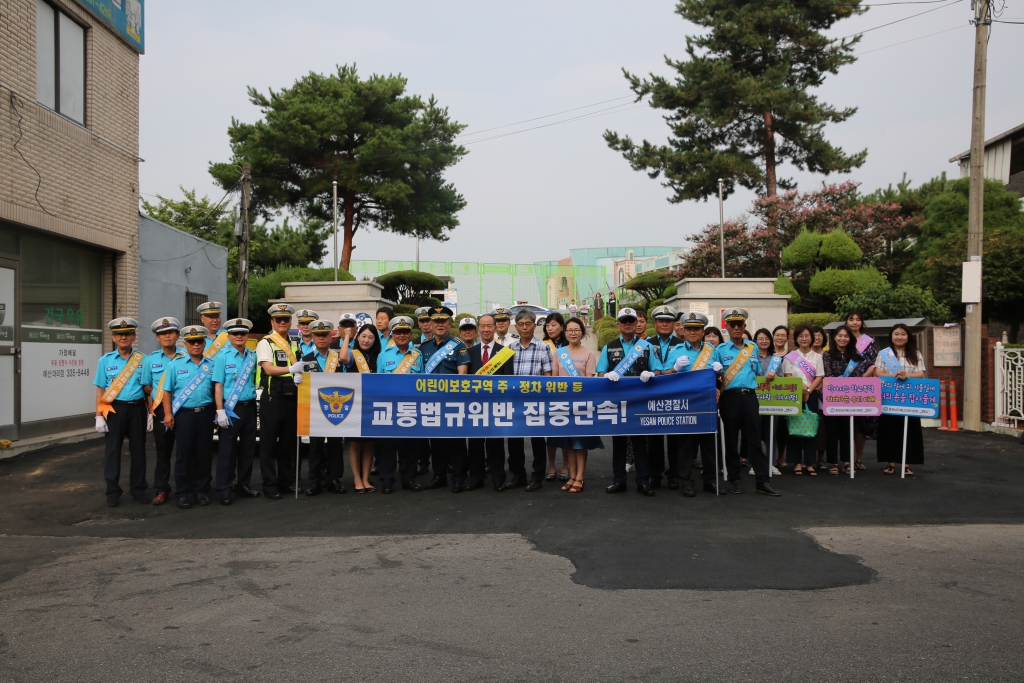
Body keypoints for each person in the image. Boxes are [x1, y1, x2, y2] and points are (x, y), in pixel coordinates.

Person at [716, 308, 781, 496]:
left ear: (744, 326)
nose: (736, 327)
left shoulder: (752, 347)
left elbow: (760, 372)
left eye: (739, 324)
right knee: (730, 441)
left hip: (751, 397)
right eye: (732, 324)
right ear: (726, 327)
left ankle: (762, 481)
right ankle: (735, 479)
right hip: (730, 398)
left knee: (755, 439)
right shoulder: (720, 351)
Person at [597, 307, 657, 496]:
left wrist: (651, 373)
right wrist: (607, 375)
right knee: (619, 443)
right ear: (618, 325)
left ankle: (643, 481)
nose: (629, 324)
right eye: (624, 321)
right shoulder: (609, 347)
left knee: (640, 443)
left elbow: (659, 371)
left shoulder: (647, 347)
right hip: (618, 402)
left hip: (640, 401)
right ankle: (619, 480)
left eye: (632, 320)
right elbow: (599, 374)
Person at [659, 311, 718, 497]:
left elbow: (719, 378)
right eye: (689, 329)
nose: (692, 332)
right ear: (683, 330)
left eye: (697, 329)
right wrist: (675, 368)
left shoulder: (711, 350)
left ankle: (710, 480)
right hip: (685, 403)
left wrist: (719, 371)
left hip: (707, 403)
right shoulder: (676, 351)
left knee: (709, 445)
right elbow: (664, 375)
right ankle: (685, 481)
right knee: (686, 445)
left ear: (703, 331)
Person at [94, 317, 149, 507]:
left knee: (138, 451)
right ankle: (112, 491)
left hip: (137, 409)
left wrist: (150, 412)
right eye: (119, 335)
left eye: (127, 334)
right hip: (114, 409)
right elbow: (100, 390)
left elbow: (149, 388)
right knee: (112, 451)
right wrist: (98, 416)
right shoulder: (105, 361)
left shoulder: (143, 359)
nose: (123, 337)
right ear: (114, 338)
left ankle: (138, 489)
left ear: (133, 336)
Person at [161, 325, 216, 509]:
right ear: (185, 344)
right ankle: (183, 492)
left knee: (203, 454)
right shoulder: (175, 365)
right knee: (184, 455)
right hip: (184, 415)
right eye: (191, 341)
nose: (196, 344)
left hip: (206, 413)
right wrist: (168, 414)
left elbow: (217, 390)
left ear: (204, 343)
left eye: (199, 341)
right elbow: (167, 392)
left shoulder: (211, 365)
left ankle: (199, 489)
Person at [419, 307, 471, 491]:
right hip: (431, 403)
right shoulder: (424, 348)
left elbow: (463, 376)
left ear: (449, 324)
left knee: (456, 442)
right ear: (431, 324)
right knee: (437, 442)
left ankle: (458, 478)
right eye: (436, 321)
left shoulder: (459, 346)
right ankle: (439, 476)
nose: (440, 325)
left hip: (452, 402)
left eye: (444, 321)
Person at [256, 304, 305, 499]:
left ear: (291, 322)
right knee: (268, 446)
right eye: (279, 320)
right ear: (272, 322)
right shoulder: (266, 343)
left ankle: (286, 482)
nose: (283, 322)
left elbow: (300, 366)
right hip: (273, 400)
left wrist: (299, 375)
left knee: (288, 444)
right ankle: (269, 485)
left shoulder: (295, 342)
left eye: (286, 319)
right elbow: (268, 369)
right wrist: (290, 371)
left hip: (291, 400)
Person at [547, 317, 601, 493]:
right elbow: (554, 380)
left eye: (576, 330)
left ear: (582, 332)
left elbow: (590, 381)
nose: (573, 333)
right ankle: (571, 475)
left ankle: (580, 477)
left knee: (580, 442)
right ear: (565, 332)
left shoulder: (589, 354)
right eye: (569, 330)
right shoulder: (559, 353)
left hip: (582, 403)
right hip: (563, 404)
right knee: (568, 442)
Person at [212, 318, 260, 505]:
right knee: (227, 450)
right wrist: (220, 410)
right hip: (231, 408)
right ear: (229, 336)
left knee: (248, 449)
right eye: (235, 333)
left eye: (242, 333)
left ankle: (243, 484)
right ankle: (224, 487)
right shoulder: (222, 357)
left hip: (249, 406)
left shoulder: (252, 356)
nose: (239, 336)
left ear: (247, 336)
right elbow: (218, 386)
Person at [375, 316, 426, 493]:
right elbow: (378, 383)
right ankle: (387, 480)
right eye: (398, 332)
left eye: (405, 332)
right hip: (389, 407)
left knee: (410, 446)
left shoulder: (418, 356)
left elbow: (423, 382)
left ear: (411, 334)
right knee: (388, 447)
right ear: (393, 335)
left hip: (411, 407)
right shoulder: (383, 356)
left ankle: (409, 479)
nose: (402, 335)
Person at [466, 313, 515, 491]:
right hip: (475, 407)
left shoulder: (505, 353)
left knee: (496, 445)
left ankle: (498, 478)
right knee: (475, 445)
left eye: (489, 326)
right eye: (482, 326)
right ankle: (476, 478)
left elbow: (508, 380)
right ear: (478, 329)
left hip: (496, 406)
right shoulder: (469, 352)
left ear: (495, 328)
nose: (486, 329)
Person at [506, 310, 553, 491]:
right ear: (516, 327)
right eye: (521, 324)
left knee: (537, 441)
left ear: (534, 325)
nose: (524, 327)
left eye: (528, 323)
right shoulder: (510, 349)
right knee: (514, 441)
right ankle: (519, 475)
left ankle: (537, 477)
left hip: (535, 402)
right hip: (515, 403)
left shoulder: (544, 348)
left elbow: (548, 377)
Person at [300, 320, 349, 495]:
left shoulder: (338, 358)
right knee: (315, 446)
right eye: (318, 335)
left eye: (325, 335)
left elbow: (346, 381)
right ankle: (315, 480)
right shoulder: (305, 359)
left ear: (330, 337)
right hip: (314, 409)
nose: (321, 338)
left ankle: (335, 478)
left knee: (336, 445)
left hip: (336, 408)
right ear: (312, 337)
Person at [141, 317, 183, 506]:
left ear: (177, 335)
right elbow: (147, 386)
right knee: (163, 452)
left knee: (186, 452)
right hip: (160, 412)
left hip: (184, 410)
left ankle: (187, 487)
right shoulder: (151, 360)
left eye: (171, 333)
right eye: (163, 334)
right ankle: (161, 489)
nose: (167, 336)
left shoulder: (186, 356)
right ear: (158, 338)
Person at [875, 323, 926, 475]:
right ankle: (890, 462)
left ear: (908, 336)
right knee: (889, 429)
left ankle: (907, 463)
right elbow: (878, 372)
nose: (899, 337)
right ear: (891, 336)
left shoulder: (915, 353)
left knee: (910, 430)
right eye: (896, 334)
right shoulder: (884, 353)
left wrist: (906, 376)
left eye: (903, 334)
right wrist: (896, 376)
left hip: (909, 399)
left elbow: (920, 373)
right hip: (889, 397)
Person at [338, 322, 383, 493]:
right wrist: (348, 336)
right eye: (363, 336)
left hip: (371, 404)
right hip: (355, 404)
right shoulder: (353, 353)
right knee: (356, 443)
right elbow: (342, 357)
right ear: (358, 338)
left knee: (369, 443)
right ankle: (357, 479)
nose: (366, 340)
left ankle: (366, 478)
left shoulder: (377, 356)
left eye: (371, 337)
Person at [647, 305, 685, 489]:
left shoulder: (681, 344)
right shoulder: (646, 343)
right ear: (654, 323)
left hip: (674, 394)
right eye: (661, 321)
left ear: (674, 324)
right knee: (653, 439)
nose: (664, 324)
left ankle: (674, 474)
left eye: (668, 321)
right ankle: (655, 474)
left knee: (675, 438)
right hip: (652, 395)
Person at [822, 324, 866, 475]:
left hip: (850, 400)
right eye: (840, 336)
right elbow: (827, 375)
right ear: (834, 337)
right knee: (832, 431)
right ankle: (833, 462)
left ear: (851, 339)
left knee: (848, 431)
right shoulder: (827, 355)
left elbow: (858, 376)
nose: (843, 338)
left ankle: (847, 461)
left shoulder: (856, 357)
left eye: (846, 336)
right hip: (832, 398)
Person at [782, 324, 824, 476]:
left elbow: (820, 376)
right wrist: (800, 389)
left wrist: (808, 390)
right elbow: (788, 375)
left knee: (811, 427)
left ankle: (810, 462)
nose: (804, 338)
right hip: (794, 394)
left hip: (811, 394)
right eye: (801, 336)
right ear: (796, 339)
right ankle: (796, 462)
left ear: (812, 338)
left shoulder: (818, 357)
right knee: (794, 427)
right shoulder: (790, 357)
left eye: (807, 336)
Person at [845, 310, 877, 471]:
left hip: (862, 387)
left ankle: (858, 458)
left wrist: (863, 379)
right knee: (845, 424)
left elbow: (873, 363)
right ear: (846, 322)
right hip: (842, 389)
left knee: (860, 425)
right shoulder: (842, 339)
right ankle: (845, 459)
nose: (855, 322)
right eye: (851, 319)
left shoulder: (869, 342)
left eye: (858, 319)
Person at [542, 311, 569, 481]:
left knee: (566, 432)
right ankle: (551, 465)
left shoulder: (569, 344)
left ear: (562, 327)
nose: (550, 328)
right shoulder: (542, 344)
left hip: (567, 394)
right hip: (550, 393)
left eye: (554, 325)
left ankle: (566, 465)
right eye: (547, 325)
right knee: (551, 433)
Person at [752, 327, 783, 476]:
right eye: (760, 339)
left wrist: (775, 376)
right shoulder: (751, 358)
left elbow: (783, 380)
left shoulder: (776, 359)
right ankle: (754, 464)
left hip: (773, 400)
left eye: (766, 339)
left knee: (772, 433)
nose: (764, 341)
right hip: (754, 400)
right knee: (755, 433)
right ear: (755, 341)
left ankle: (771, 464)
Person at [412, 307, 435, 476]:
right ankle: (423, 462)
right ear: (419, 324)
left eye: (428, 320)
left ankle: (443, 462)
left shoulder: (443, 342)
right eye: (422, 321)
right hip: (420, 393)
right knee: (421, 432)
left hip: (438, 393)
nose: (426, 324)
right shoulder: (413, 344)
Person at [771, 325, 791, 467]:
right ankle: (769, 455)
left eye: (783, 335)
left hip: (784, 395)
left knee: (782, 428)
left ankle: (780, 456)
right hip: (767, 395)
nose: (780, 338)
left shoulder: (792, 355)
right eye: (777, 335)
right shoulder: (768, 353)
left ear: (787, 338)